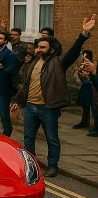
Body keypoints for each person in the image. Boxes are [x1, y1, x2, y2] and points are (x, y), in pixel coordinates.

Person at [11, 15, 96, 177]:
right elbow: (27, 85)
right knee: (28, 138)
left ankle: (52, 166)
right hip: (30, 106)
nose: (38, 50)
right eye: (38, 47)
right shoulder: (33, 63)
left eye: (42, 47)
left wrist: (83, 35)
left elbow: (72, 53)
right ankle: (32, 166)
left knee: (52, 139)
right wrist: (17, 100)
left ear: (51, 49)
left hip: (48, 108)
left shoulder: (58, 62)